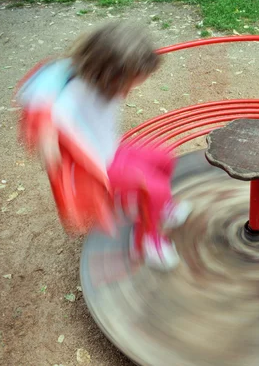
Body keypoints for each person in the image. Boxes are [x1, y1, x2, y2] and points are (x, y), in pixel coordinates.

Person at [16, 21, 190, 271]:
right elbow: (43, 100)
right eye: (132, 80)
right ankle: (147, 242)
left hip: (112, 149)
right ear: (112, 74)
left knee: (164, 157)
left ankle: (159, 209)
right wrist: (46, 132)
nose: (132, 88)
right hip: (97, 168)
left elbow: (50, 72)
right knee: (155, 187)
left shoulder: (90, 76)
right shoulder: (74, 94)